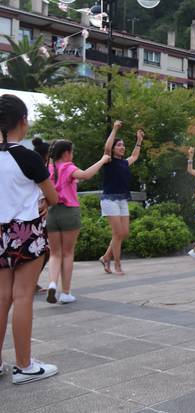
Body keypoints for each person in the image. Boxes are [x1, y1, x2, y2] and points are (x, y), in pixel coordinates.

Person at [0, 94, 60, 384]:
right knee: (23, 295)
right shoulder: (27, 156)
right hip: (26, 232)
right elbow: (53, 196)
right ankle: (24, 366)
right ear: (23, 122)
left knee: (1, 297)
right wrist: (45, 202)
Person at [45, 140, 110, 304]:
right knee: (67, 253)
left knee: (55, 253)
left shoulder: (49, 169)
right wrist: (102, 160)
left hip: (52, 213)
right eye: (71, 152)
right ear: (66, 153)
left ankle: (52, 283)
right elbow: (86, 175)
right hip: (69, 213)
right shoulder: (68, 167)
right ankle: (65, 293)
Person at [99, 121, 144, 276]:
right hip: (109, 199)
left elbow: (135, 155)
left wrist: (139, 140)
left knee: (124, 233)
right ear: (113, 148)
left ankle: (106, 257)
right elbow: (106, 148)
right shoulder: (108, 160)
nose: (122, 147)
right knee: (117, 233)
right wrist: (114, 129)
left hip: (122, 199)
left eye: (123, 145)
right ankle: (117, 264)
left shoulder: (125, 162)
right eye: (119, 145)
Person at [32, 138, 50, 295]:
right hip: (32, 214)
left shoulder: (41, 166)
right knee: (42, 250)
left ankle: (32, 281)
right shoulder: (36, 166)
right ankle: (31, 282)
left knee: (44, 250)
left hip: (38, 213)